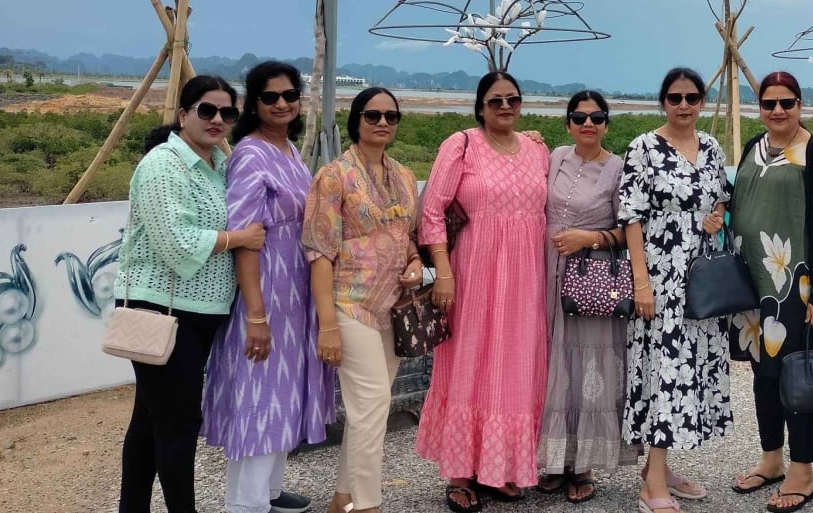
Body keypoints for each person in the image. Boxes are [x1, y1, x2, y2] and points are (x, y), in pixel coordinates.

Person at [116, 76, 267, 513]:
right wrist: (238, 238)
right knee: (179, 425)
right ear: (183, 115)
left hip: (201, 313)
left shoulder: (218, 166)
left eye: (227, 113)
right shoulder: (164, 164)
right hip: (164, 310)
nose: (217, 119)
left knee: (150, 421)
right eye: (206, 110)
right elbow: (176, 242)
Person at [200, 62, 332, 513]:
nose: (282, 103)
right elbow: (245, 238)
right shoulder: (252, 154)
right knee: (260, 393)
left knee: (285, 390)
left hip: (296, 294)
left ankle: (271, 492)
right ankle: (245, 503)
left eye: (290, 95)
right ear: (254, 103)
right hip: (268, 291)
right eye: (271, 96)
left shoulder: (291, 149)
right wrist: (255, 314)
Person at [417, 71, 551, 512]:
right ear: (480, 107)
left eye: (513, 99)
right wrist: (443, 272)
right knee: (470, 362)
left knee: (515, 367)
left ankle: (497, 469)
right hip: (473, 274)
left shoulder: (537, 149)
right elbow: (432, 211)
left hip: (527, 278)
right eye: (496, 101)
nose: (506, 107)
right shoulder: (461, 145)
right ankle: (460, 473)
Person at [303, 86, 426, 513]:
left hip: (393, 306)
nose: (382, 123)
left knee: (366, 410)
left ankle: (342, 498)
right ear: (356, 120)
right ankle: (369, 506)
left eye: (390, 116)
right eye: (372, 115)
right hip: (348, 302)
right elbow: (319, 252)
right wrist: (328, 326)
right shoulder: (333, 175)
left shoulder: (405, 176)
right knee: (373, 404)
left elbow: (406, 236)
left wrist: (414, 262)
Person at [728, 71, 813, 512]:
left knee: (796, 374)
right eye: (770, 103)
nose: (778, 110)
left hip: (794, 285)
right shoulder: (753, 146)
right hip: (754, 285)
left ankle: (803, 471)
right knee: (763, 375)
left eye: (787, 102)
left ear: (800, 105)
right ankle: (771, 458)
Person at [620, 67, 732, 513]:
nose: (684, 104)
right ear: (662, 101)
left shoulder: (711, 146)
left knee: (687, 371)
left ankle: (658, 469)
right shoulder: (643, 148)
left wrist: (716, 215)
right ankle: (652, 487)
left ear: (702, 101)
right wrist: (641, 282)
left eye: (692, 96)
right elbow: (630, 217)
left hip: (701, 278)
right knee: (663, 373)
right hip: (661, 279)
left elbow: (721, 195)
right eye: (675, 97)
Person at [537, 90, 638, 503]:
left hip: (591, 284)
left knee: (589, 370)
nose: (587, 124)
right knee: (554, 367)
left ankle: (583, 465)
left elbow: (629, 229)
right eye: (579, 117)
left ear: (606, 123)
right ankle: (555, 461)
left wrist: (589, 238)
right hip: (546, 276)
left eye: (597, 116)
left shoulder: (617, 168)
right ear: (568, 124)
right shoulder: (556, 156)